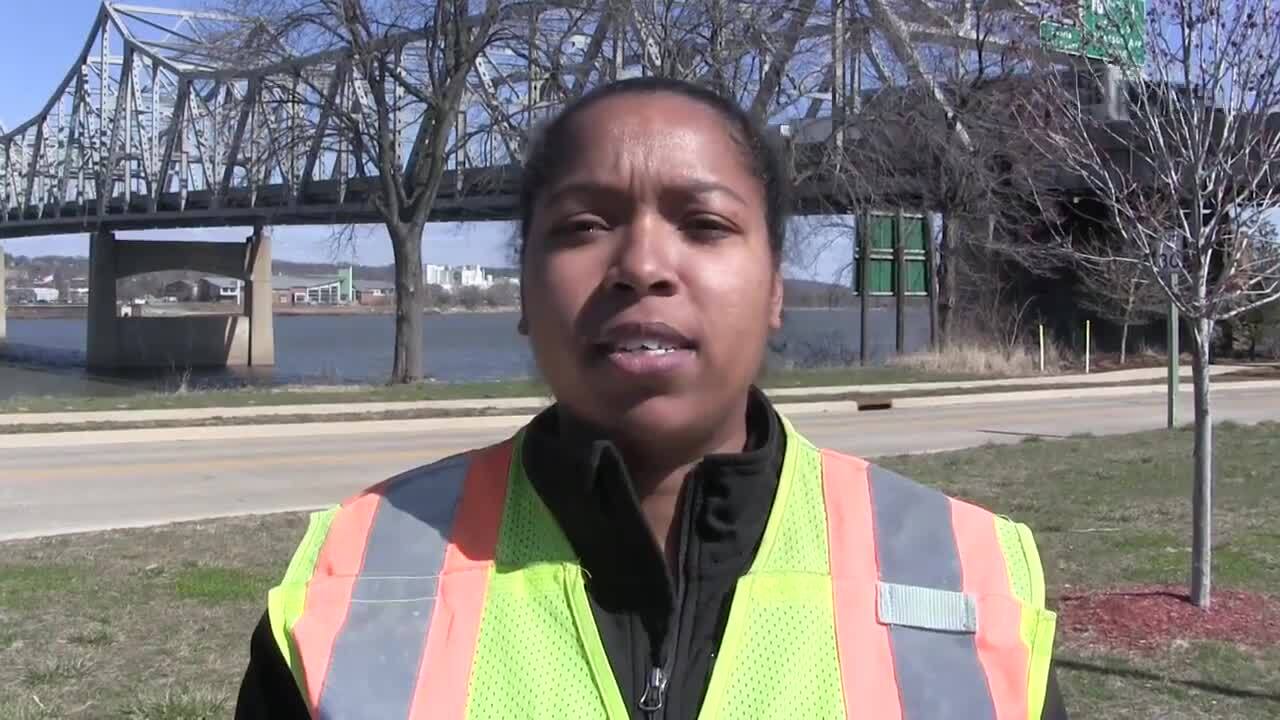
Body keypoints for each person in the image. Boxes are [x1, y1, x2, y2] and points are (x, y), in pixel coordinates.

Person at [235, 77, 1068, 719]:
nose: (641, 264)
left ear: (776, 288)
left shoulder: (972, 585)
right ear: (524, 290)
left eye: (704, 225)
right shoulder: (348, 585)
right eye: (583, 226)